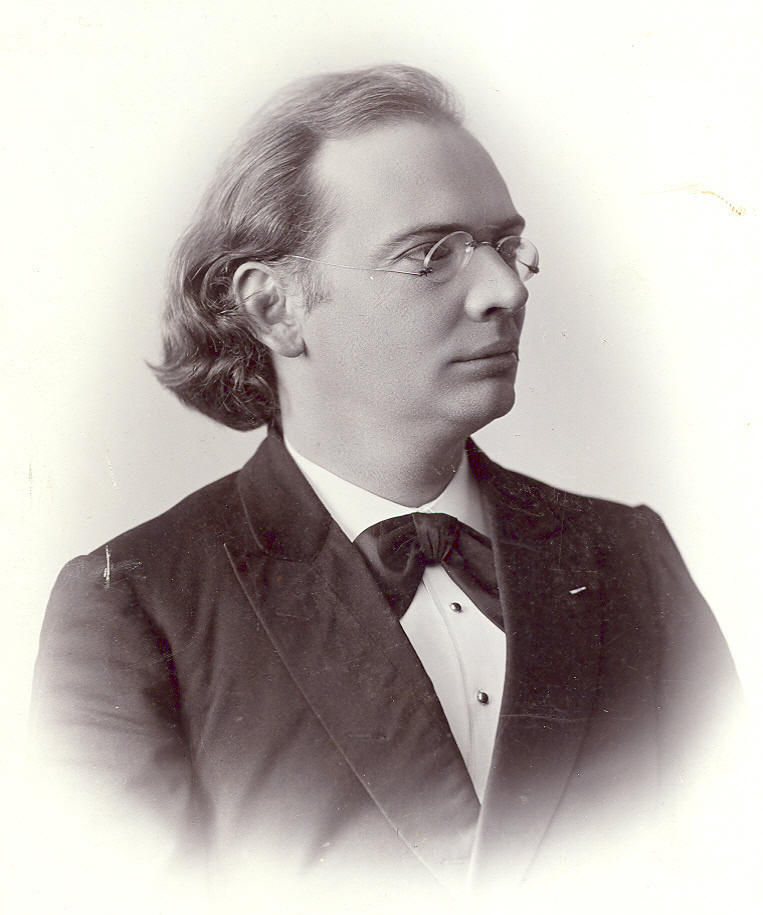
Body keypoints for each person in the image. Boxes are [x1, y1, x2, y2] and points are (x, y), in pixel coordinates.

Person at [31, 64, 738, 903]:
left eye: (504, 245)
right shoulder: (135, 605)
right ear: (273, 307)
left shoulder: (628, 554)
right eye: (429, 255)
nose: (504, 290)